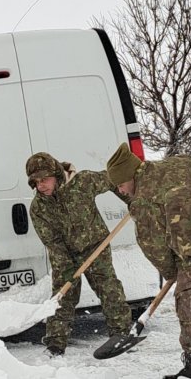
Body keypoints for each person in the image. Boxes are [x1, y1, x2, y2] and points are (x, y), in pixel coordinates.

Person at [107, 143, 191, 379]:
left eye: (121, 185)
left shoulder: (142, 202)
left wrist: (173, 273)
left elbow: (154, 247)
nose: (121, 191)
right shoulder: (182, 162)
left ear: (131, 176)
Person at [26, 152, 131, 357]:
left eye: (45, 179)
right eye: (36, 182)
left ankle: (122, 333)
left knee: (108, 288)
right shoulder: (38, 207)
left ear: (56, 174)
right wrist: (66, 268)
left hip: (95, 246)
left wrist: (131, 201)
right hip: (64, 254)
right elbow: (52, 241)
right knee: (62, 296)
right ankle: (55, 344)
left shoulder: (83, 182)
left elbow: (113, 179)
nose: (41, 186)